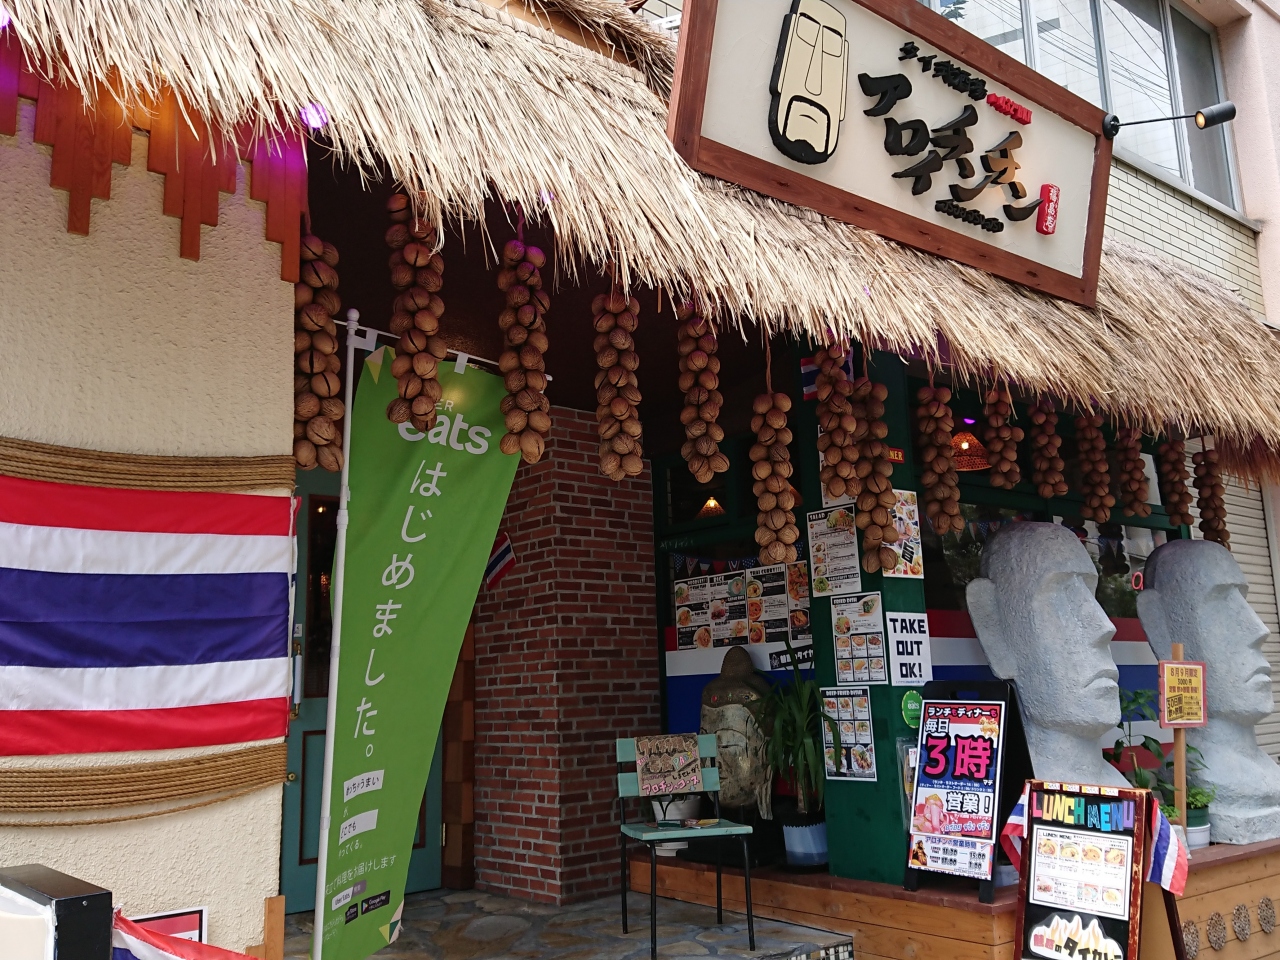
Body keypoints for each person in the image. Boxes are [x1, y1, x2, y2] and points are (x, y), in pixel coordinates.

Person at [1137, 539, 1280, 844]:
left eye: (1243, 599)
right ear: (1161, 626)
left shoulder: (1266, 773)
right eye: (1219, 602)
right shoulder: (1195, 773)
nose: (1259, 629)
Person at [967, 523, 1128, 787]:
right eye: (1059, 594)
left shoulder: (1127, 794)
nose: (1104, 626)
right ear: (995, 630)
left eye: (1091, 593)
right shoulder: (1006, 795)